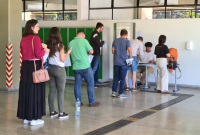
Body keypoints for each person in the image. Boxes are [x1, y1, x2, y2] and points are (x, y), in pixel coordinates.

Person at [17, 19, 50, 126]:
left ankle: (26, 117)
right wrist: (45, 50)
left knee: (26, 89)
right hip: (34, 66)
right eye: (37, 26)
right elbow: (38, 53)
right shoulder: (36, 38)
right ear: (32, 27)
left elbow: (23, 52)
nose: (38, 28)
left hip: (25, 66)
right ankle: (34, 118)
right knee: (35, 91)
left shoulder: (23, 39)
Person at [69, 31, 100, 107]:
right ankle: (91, 102)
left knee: (77, 84)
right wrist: (88, 53)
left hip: (76, 67)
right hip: (85, 66)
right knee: (90, 83)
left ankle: (78, 102)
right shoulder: (84, 41)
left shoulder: (70, 42)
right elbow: (91, 51)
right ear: (82, 35)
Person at [47, 27, 72, 119]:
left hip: (50, 69)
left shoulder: (48, 45)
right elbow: (62, 59)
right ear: (58, 35)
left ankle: (52, 112)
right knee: (60, 92)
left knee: (51, 91)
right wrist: (68, 53)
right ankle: (61, 113)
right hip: (59, 70)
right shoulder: (60, 45)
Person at [111, 29, 132, 98]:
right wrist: (130, 60)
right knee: (123, 78)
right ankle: (121, 93)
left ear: (120, 34)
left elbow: (113, 52)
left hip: (116, 63)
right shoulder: (127, 41)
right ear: (126, 35)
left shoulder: (115, 41)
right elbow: (129, 50)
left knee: (116, 77)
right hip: (123, 63)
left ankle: (114, 92)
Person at [90, 22, 106, 88]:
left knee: (98, 68)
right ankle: (92, 83)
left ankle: (96, 80)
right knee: (94, 69)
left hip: (97, 54)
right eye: (102, 28)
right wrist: (103, 42)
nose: (102, 29)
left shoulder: (97, 34)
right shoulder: (95, 34)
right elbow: (99, 44)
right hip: (95, 54)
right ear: (99, 28)